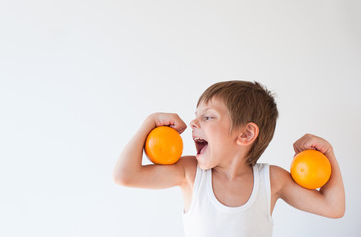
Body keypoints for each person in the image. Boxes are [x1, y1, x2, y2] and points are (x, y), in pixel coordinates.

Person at [112, 80, 345, 237]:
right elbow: (125, 175)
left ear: (245, 134)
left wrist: (329, 153)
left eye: (208, 117)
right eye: (197, 116)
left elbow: (334, 207)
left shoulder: (271, 180)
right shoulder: (191, 173)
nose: (194, 123)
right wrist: (150, 122)